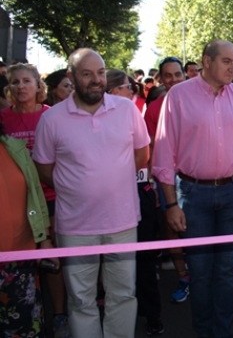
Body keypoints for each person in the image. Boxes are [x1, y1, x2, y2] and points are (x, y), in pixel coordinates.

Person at [32, 48, 150, 338]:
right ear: (72, 78)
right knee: (81, 300)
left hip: (122, 221)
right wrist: (78, 188)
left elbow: (142, 154)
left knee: (123, 294)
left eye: (100, 72)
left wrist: (111, 181)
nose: (96, 80)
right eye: (87, 74)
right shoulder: (52, 119)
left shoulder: (126, 110)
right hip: (76, 226)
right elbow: (44, 168)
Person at [153, 40, 233, 338]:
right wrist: (171, 204)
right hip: (192, 195)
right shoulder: (178, 96)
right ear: (206, 62)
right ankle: (203, 332)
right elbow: (163, 153)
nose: (232, 68)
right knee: (199, 273)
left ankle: (222, 332)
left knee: (225, 272)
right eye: (226, 61)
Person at [0, 63, 71, 338]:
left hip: (52, 196)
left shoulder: (52, 116)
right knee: (24, 268)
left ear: (38, 86)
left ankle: (60, 314)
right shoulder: (3, 119)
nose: (21, 87)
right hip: (17, 203)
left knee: (51, 259)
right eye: (15, 82)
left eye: (26, 81)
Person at [106, 68, 164, 335]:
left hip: (138, 192)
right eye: (128, 87)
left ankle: (152, 314)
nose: (134, 91)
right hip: (102, 202)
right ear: (113, 91)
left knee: (144, 258)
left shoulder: (132, 114)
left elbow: (145, 154)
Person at [0, 119, 57, 338]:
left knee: (24, 330)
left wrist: (45, 240)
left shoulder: (14, 148)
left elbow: (36, 195)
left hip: (20, 261)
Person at [144, 57, 191, 303]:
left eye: (177, 74)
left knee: (196, 229)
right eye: (168, 76)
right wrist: (153, 182)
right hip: (167, 179)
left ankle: (200, 276)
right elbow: (151, 148)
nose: (173, 79)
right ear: (160, 79)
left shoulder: (197, 101)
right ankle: (184, 277)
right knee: (172, 228)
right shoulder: (154, 108)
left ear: (185, 75)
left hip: (194, 179)